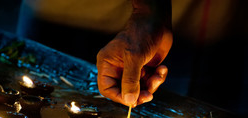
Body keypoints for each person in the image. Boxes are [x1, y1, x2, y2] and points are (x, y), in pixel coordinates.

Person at [17, 0, 173, 107]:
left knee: (157, 94)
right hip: (59, 13)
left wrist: (150, 12)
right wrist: (149, 11)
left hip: (168, 26)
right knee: (34, 92)